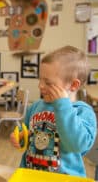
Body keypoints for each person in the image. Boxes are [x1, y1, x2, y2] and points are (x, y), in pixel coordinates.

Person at [10, 46, 97, 177]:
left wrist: (62, 106)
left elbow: (77, 145)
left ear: (73, 85)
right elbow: (29, 134)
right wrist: (21, 138)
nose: (40, 86)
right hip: (31, 174)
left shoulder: (83, 112)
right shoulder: (36, 106)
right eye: (40, 79)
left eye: (48, 83)